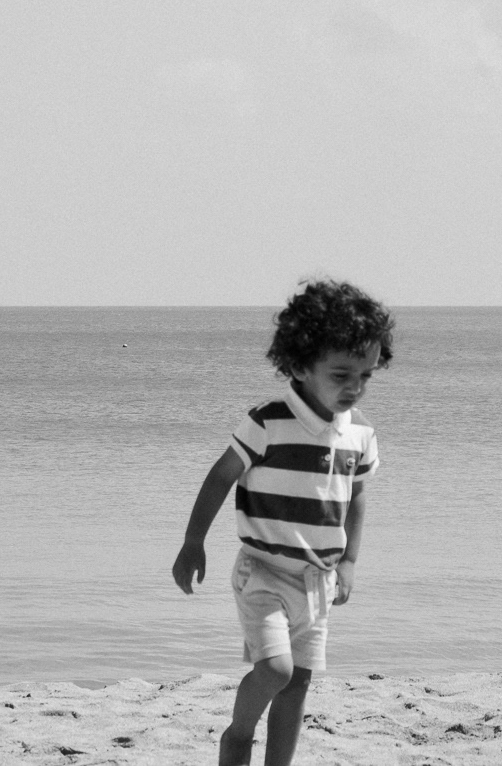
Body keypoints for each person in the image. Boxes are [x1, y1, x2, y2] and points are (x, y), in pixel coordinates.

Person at [172, 280, 394, 766]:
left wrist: (351, 560)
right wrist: (193, 542)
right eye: (340, 374)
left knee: (298, 686)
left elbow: (356, 495)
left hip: (318, 580)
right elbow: (220, 476)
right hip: (264, 573)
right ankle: (239, 732)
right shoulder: (268, 422)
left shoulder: (360, 434)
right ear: (299, 366)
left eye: (365, 375)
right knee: (274, 669)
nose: (353, 387)